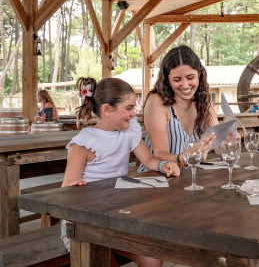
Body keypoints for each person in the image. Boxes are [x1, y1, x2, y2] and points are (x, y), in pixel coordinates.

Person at [61, 77, 180, 267]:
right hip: (83, 222)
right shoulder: (83, 143)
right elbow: (66, 189)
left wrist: (163, 165)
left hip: (117, 216)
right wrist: (77, 188)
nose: (134, 113)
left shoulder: (129, 131)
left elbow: (148, 160)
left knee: (153, 259)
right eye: (129, 108)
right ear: (107, 110)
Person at [139, 45, 220, 172]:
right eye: (177, 79)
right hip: (156, 177)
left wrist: (229, 141)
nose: (185, 85)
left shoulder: (205, 101)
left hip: (188, 177)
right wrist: (185, 157)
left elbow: (218, 148)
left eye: (190, 77)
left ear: (199, 73)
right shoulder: (156, 101)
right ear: (167, 80)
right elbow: (159, 153)